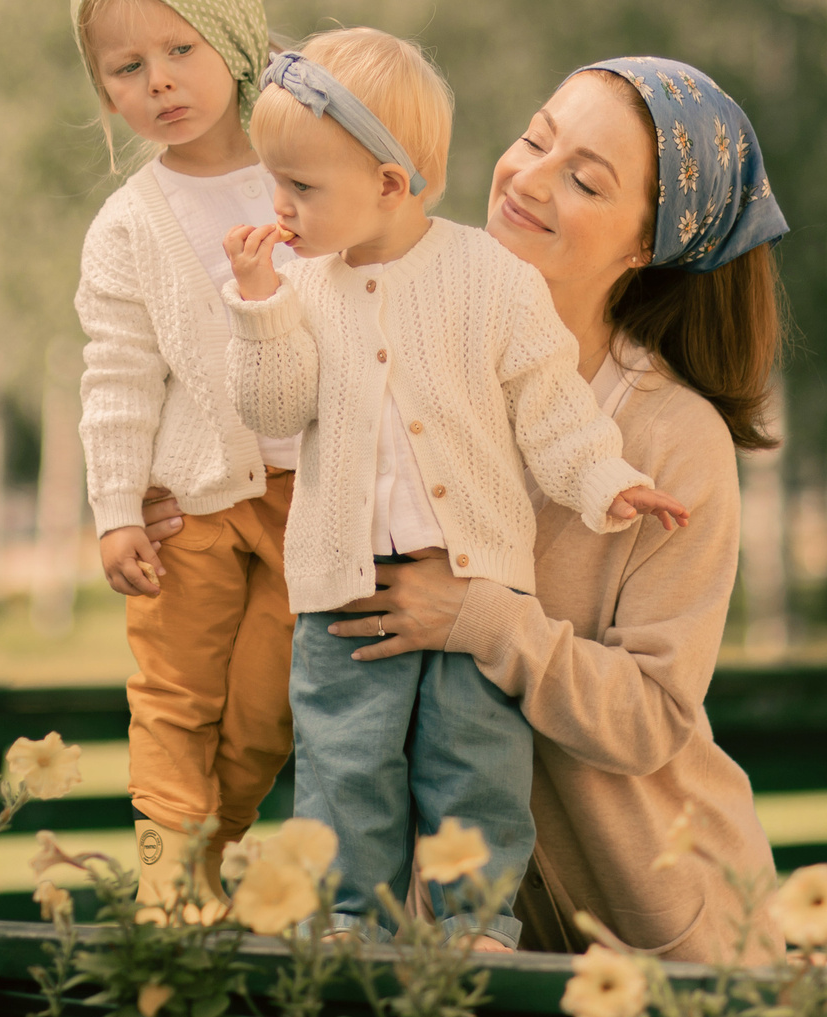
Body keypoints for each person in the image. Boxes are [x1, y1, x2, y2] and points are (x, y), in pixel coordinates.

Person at [218, 28, 686, 949]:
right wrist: (261, 305)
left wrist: (606, 479)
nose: (280, 204)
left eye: (301, 185)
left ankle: (477, 923)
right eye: (275, 180)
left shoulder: (491, 280)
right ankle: (347, 919)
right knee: (344, 766)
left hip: (474, 582)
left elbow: (548, 404)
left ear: (389, 184)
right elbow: (273, 408)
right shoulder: (300, 288)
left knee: (474, 765)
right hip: (343, 591)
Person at [314, 55, 789, 960]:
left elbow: (653, 714)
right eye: (536, 139)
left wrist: (484, 621)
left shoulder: (672, 442)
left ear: (645, 246)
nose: (529, 179)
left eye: (585, 179)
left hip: (674, 947)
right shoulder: (404, 367)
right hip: (476, 946)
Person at [70, 0, 299, 903]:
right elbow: (117, 373)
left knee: (265, 710)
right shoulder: (129, 226)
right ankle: (167, 897)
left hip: (308, 500)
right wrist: (117, 506)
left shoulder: (305, 173)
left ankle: (208, 861)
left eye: (180, 49)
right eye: (127, 67)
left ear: (235, 41)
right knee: (173, 700)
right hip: (190, 506)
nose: (158, 81)